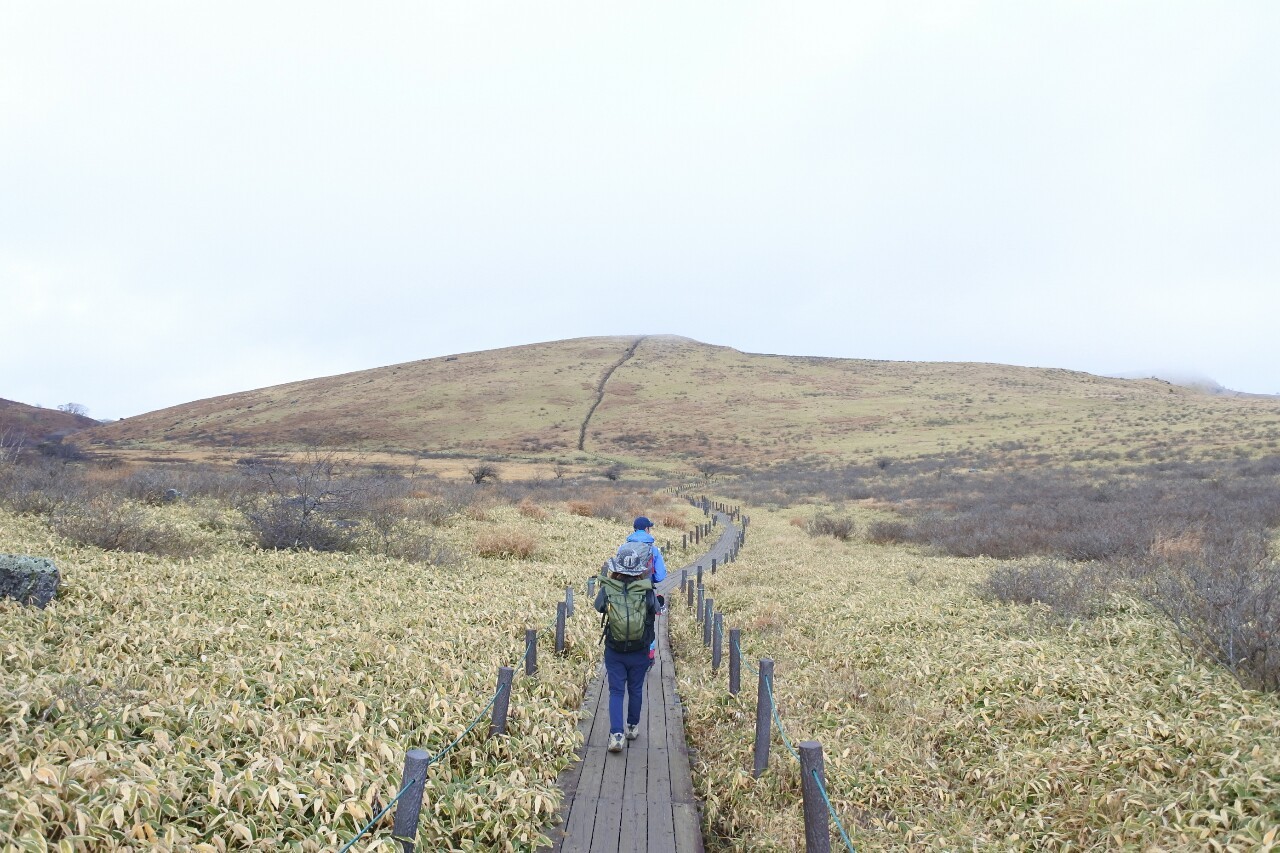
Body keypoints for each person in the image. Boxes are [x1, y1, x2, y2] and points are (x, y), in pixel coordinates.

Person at [593, 516, 666, 753]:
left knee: (616, 691)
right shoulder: (646, 591)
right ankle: (632, 727)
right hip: (640, 649)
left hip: (614, 649)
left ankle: (616, 735)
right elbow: (657, 609)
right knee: (636, 689)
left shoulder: (607, 588)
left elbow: (599, 607)